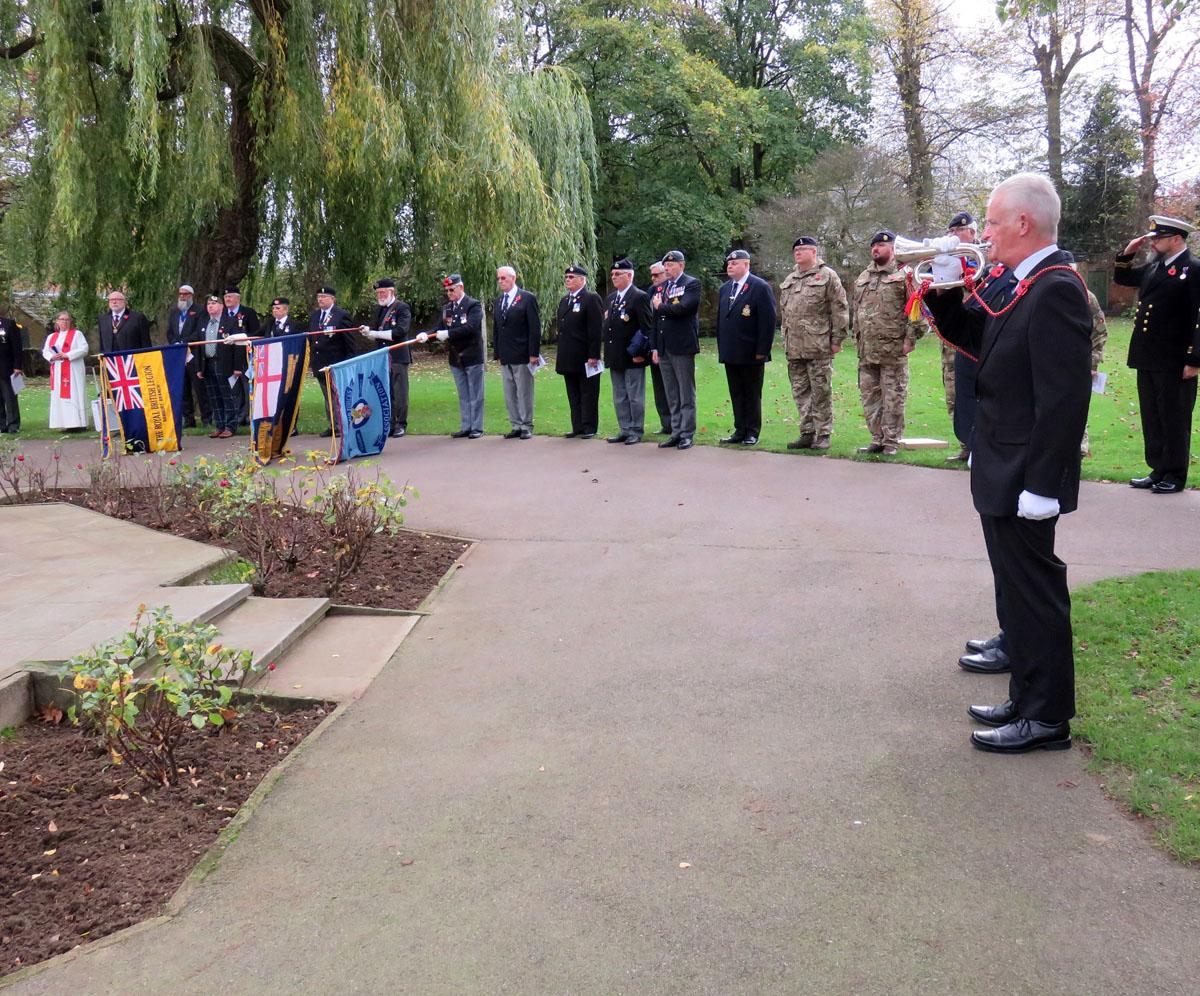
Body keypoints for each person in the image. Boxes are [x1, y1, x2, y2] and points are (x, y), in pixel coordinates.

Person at [924, 172, 1092, 753]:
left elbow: (1064, 399)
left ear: (1023, 223)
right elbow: (980, 339)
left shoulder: (1055, 286)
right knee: (1016, 592)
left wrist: (1043, 485)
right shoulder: (1023, 281)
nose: (984, 231)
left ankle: (1046, 719)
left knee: (1035, 593)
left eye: (992, 221)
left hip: (1026, 472)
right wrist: (942, 290)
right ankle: (1026, 698)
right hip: (1002, 459)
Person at [1114, 215, 1200, 494]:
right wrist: (1127, 253)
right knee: (1152, 415)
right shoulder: (1155, 267)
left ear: (1176, 239)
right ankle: (1158, 468)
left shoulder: (1193, 268)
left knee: (1174, 417)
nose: (1154, 243)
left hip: (1175, 358)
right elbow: (1123, 276)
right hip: (1148, 355)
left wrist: (1194, 358)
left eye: (1158, 238)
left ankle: (1175, 474)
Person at [851, 231, 925, 456]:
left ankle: (892, 441)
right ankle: (877, 439)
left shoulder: (905, 275)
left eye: (881, 246)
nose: (876, 249)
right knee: (870, 397)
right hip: (867, 349)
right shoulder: (863, 276)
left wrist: (911, 339)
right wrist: (856, 336)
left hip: (893, 349)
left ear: (892, 249)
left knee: (893, 397)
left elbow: (917, 310)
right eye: (873, 246)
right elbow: (857, 309)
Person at [778, 236, 848, 450]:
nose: (798, 252)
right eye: (796, 250)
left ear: (814, 252)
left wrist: (837, 339)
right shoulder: (790, 279)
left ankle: (824, 433)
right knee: (801, 392)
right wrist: (785, 338)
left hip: (818, 345)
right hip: (795, 347)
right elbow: (785, 312)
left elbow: (840, 308)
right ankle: (807, 432)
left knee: (821, 391)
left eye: (803, 249)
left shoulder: (827, 276)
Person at [715, 249, 776, 446]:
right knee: (736, 393)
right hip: (731, 351)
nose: (729, 266)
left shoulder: (759, 287)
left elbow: (768, 321)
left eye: (734, 263)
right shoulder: (725, 289)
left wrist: (762, 350)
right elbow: (721, 320)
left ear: (746, 265)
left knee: (751, 393)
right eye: (728, 264)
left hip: (751, 352)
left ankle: (752, 431)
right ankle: (739, 429)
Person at [651, 249, 701, 450]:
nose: (668, 268)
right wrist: (654, 346)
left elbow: (683, 308)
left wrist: (661, 307)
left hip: (682, 346)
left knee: (685, 392)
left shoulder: (691, 284)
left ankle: (687, 433)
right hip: (664, 347)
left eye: (671, 265)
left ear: (681, 265)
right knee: (672, 393)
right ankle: (676, 431)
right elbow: (655, 321)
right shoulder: (662, 288)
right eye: (666, 265)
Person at [425, 274, 485, 438]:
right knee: (463, 394)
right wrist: (425, 335)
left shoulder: (473, 305)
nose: (449, 293)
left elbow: (471, 328)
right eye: (447, 291)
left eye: (452, 289)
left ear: (461, 287)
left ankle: (477, 427)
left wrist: (448, 334)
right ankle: (466, 426)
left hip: (472, 355)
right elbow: (438, 328)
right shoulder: (447, 309)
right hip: (455, 358)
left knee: (476, 394)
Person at [602, 258, 654, 445]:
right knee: (619, 396)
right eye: (613, 274)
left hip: (633, 355)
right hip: (615, 355)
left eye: (618, 274)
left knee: (634, 396)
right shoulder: (611, 299)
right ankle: (624, 428)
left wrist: (642, 352)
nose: (614, 277)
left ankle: (636, 429)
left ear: (629, 275)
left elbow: (647, 327)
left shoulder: (639, 297)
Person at [944, 211, 981, 463]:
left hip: (978, 337)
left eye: (960, 230)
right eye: (952, 231)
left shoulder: (983, 259)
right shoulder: (948, 259)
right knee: (955, 392)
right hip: (953, 339)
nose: (955, 235)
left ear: (972, 233)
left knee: (980, 391)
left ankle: (982, 444)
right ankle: (966, 444)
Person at [359, 279, 413, 438]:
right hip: (381, 357)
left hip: (397, 356)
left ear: (391, 291)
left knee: (400, 392)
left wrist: (374, 333)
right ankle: (389, 423)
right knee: (386, 391)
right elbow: (376, 333)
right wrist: (368, 333)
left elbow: (400, 331)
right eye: (378, 293)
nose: (380, 295)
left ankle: (401, 423)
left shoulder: (402, 308)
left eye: (382, 292)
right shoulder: (378, 310)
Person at [555, 265, 604, 438]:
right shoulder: (564, 300)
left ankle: (589, 427)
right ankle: (577, 426)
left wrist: (594, 355)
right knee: (573, 394)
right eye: (566, 277)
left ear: (582, 280)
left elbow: (595, 330)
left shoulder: (591, 298)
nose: (568, 280)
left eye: (571, 277)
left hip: (585, 356)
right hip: (568, 356)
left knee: (588, 393)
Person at [493, 265, 541, 439]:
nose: (500, 281)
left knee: (524, 391)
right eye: (498, 278)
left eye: (503, 278)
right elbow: (497, 329)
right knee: (509, 393)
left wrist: (534, 353)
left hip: (523, 353)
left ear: (513, 278)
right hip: (506, 354)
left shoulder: (527, 298)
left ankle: (526, 425)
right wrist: (497, 353)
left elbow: (534, 328)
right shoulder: (499, 301)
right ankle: (516, 424)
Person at [307, 285, 355, 437]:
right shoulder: (315, 316)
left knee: (339, 396)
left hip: (336, 363)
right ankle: (333, 425)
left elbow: (349, 341)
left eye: (324, 297)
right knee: (327, 397)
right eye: (319, 297)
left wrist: (349, 362)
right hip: (319, 363)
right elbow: (312, 339)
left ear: (332, 299)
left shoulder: (341, 315)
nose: (320, 299)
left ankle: (343, 425)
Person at [197, 292, 247, 438]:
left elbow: (239, 345)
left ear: (221, 306)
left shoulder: (230, 322)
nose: (210, 307)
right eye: (208, 304)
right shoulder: (204, 322)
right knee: (214, 396)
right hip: (208, 363)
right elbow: (200, 347)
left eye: (213, 304)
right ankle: (219, 425)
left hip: (224, 364)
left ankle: (230, 426)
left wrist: (238, 367)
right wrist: (200, 367)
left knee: (228, 396)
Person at [166, 284, 208, 428]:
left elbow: (199, 332)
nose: (182, 296)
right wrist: (175, 343)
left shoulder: (200, 311)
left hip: (193, 354)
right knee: (183, 388)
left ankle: (207, 418)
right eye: (180, 294)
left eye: (185, 294)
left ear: (191, 295)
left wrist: (185, 343)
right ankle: (189, 419)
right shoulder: (175, 312)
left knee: (200, 388)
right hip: (178, 356)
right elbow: (170, 332)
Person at [42, 312, 89, 430]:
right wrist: (52, 357)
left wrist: (67, 355)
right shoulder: (51, 336)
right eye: (62, 319)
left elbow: (84, 349)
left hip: (73, 370)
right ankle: (63, 423)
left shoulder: (77, 334)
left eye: (67, 320)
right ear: (57, 321)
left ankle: (79, 423)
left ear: (70, 322)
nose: (64, 322)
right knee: (60, 396)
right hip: (58, 370)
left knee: (75, 393)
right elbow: (45, 351)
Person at [223, 286, 259, 427]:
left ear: (238, 298)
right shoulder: (223, 313)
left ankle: (248, 415)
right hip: (227, 357)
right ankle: (237, 415)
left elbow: (256, 332)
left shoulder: (248, 313)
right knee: (234, 390)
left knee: (247, 388)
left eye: (230, 296)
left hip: (245, 357)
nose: (227, 299)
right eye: (226, 297)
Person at [644, 261, 672, 434]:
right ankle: (666, 423)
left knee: (673, 388)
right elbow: (650, 322)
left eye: (657, 275)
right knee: (659, 388)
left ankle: (677, 424)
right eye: (652, 275)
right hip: (655, 346)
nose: (653, 278)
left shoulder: (675, 290)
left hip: (671, 346)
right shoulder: (651, 291)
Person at [0, 311, 24, 433]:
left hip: (7, 368)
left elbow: (17, 347)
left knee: (10, 398)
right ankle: (1, 425)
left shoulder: (9, 324)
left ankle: (13, 424)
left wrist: (17, 366)